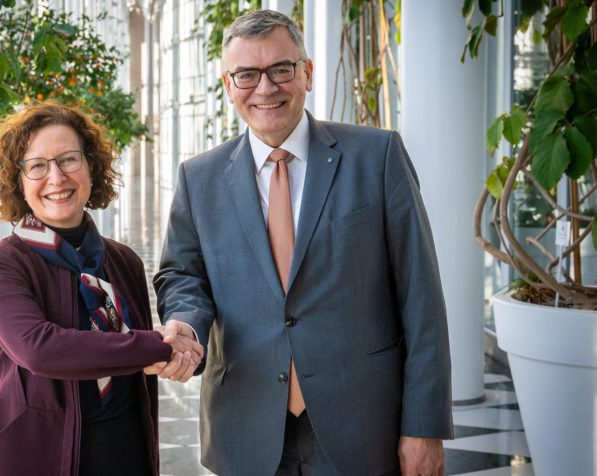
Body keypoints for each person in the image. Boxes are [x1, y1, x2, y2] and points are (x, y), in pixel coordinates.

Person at [151, 9, 452, 476]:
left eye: (281, 69)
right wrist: (186, 327)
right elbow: (183, 276)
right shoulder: (199, 177)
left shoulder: (378, 156)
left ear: (307, 73)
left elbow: (422, 298)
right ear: (229, 86)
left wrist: (424, 426)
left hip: (363, 427)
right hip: (245, 425)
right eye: (247, 75)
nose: (265, 88)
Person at [0, 102, 203, 476]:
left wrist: (179, 352)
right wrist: (158, 345)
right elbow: (39, 348)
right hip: (37, 455)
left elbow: (140, 366)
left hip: (125, 451)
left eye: (69, 160)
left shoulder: (124, 261)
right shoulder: (0, 264)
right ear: (19, 181)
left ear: (91, 167)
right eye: (38, 166)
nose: (56, 178)